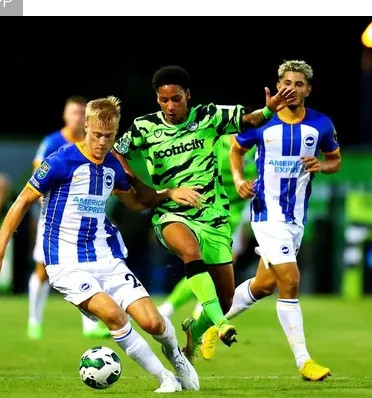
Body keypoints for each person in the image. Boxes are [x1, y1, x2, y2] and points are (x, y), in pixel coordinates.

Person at [0, 96, 200, 393]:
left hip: (106, 257)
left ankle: (177, 357)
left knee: (153, 323)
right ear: (87, 127)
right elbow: (21, 202)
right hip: (65, 263)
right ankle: (165, 378)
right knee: (114, 316)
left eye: (109, 136)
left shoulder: (113, 165)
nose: (102, 142)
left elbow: (134, 203)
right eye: (97, 135)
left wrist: (167, 193)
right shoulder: (60, 161)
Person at [112, 65, 297, 362]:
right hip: (170, 213)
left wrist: (269, 109)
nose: (170, 106)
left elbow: (248, 120)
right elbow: (115, 152)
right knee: (190, 250)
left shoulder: (208, 116)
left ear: (188, 95)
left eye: (176, 99)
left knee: (226, 298)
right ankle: (221, 325)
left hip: (213, 216)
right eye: (163, 100)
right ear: (157, 99)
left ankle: (195, 330)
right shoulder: (144, 127)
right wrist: (140, 184)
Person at [208, 60, 341, 381]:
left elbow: (335, 160)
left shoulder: (321, 125)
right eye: (286, 83)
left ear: (308, 89)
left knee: (264, 285)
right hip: (266, 214)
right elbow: (236, 149)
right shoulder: (262, 121)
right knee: (290, 281)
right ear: (278, 86)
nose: (291, 89)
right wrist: (238, 179)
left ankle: (207, 323)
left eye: (298, 84)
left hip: (296, 218)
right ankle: (304, 361)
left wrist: (321, 166)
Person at [157, 134, 258, 320]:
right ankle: (177, 307)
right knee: (204, 264)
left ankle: (187, 307)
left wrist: (252, 184)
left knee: (215, 266)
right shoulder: (214, 140)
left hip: (234, 215)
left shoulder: (254, 145)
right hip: (207, 210)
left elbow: (257, 177)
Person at [27, 95, 102, 340]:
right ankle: (34, 321)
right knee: (42, 269)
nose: (78, 118)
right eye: (74, 112)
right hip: (53, 217)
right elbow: (38, 171)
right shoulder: (53, 142)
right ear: (65, 115)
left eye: (82, 113)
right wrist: (43, 201)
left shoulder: (92, 143)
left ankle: (90, 325)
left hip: (82, 218)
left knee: (87, 266)